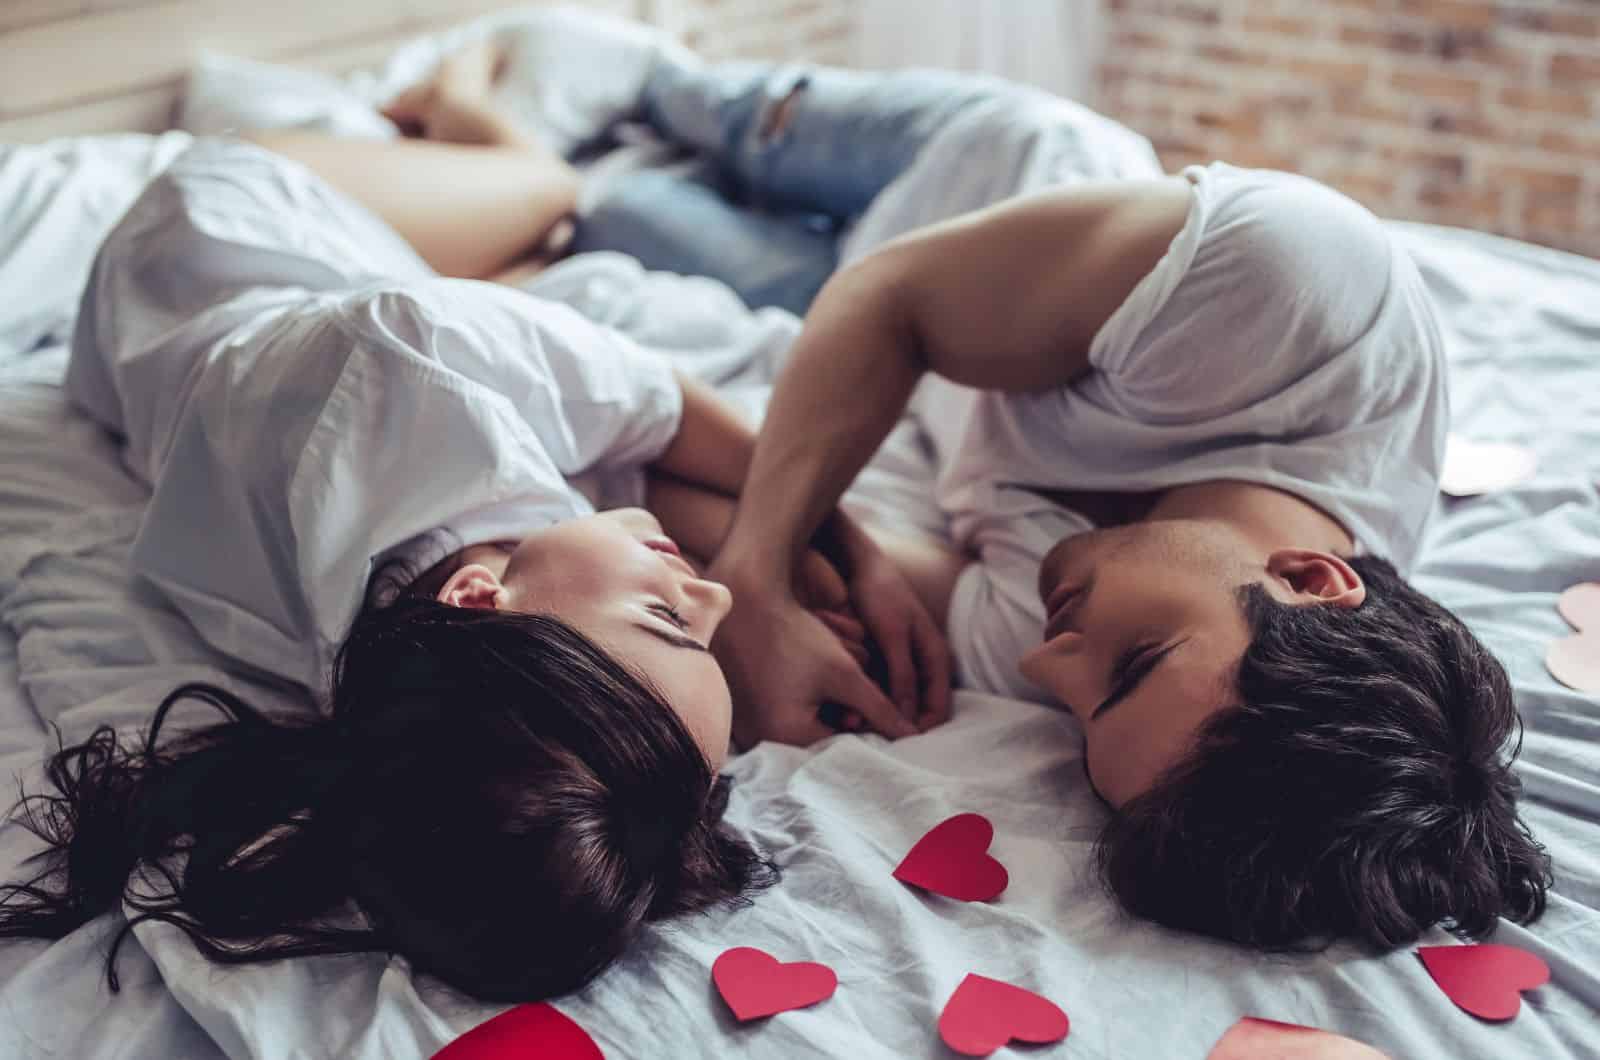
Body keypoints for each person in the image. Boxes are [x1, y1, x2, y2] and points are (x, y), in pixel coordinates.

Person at [0, 44, 931, 1003]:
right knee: (549, 229)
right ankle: (485, 177)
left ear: (479, 596)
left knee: (547, 195)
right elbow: (671, 460)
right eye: (704, 628)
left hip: (219, 227)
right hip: (225, 316)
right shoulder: (403, 697)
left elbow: (676, 422)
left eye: (668, 620)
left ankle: (468, 135)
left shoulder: (421, 356)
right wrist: (806, 572)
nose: (715, 589)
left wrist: (814, 576)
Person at [577, 50, 1555, 949]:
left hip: (844, 329)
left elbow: (700, 494)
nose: (1049, 666)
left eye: (1082, 721)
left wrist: (798, 581)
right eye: (1135, 662)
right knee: (682, 100)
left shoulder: (1083, 662)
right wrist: (756, 571)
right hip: (973, 181)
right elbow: (889, 300)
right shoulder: (1293, 299)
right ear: (1308, 576)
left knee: (601, 210)